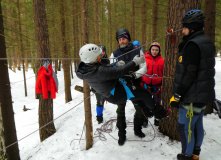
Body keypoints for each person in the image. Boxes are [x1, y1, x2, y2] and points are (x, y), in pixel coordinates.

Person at [76, 43, 171, 145]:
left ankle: (148, 112)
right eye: (99, 56)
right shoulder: (99, 71)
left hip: (113, 91)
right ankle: (160, 113)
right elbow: (118, 72)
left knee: (137, 97)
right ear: (93, 58)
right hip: (117, 93)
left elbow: (105, 69)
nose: (101, 57)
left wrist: (113, 65)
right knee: (144, 94)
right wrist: (134, 62)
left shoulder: (83, 69)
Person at [109, 28, 171, 146]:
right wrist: (116, 68)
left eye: (124, 39)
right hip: (121, 86)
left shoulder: (137, 51)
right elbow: (110, 69)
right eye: (120, 39)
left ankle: (137, 130)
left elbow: (144, 67)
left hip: (135, 84)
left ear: (128, 39)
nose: (122, 41)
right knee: (120, 110)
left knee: (139, 108)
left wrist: (134, 75)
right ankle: (121, 135)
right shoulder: (115, 53)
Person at [169, 9, 215, 160]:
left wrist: (178, 94)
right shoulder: (206, 41)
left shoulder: (193, 45)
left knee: (185, 127)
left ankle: (187, 155)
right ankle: (195, 153)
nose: (182, 30)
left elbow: (190, 72)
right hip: (202, 94)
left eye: (184, 27)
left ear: (192, 27)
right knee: (197, 124)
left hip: (191, 96)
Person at [141, 42, 164, 126]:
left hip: (157, 85)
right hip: (146, 84)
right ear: (150, 50)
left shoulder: (162, 61)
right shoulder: (144, 60)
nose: (154, 51)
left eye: (156, 50)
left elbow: (163, 73)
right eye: (153, 49)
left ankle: (157, 118)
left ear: (159, 51)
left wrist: (161, 84)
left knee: (157, 102)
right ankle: (145, 118)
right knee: (145, 102)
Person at [92, 45, 109, 124]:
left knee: (103, 99)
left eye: (103, 51)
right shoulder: (94, 61)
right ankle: (99, 117)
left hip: (106, 85)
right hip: (97, 85)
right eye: (100, 51)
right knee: (99, 101)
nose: (102, 53)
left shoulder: (107, 61)